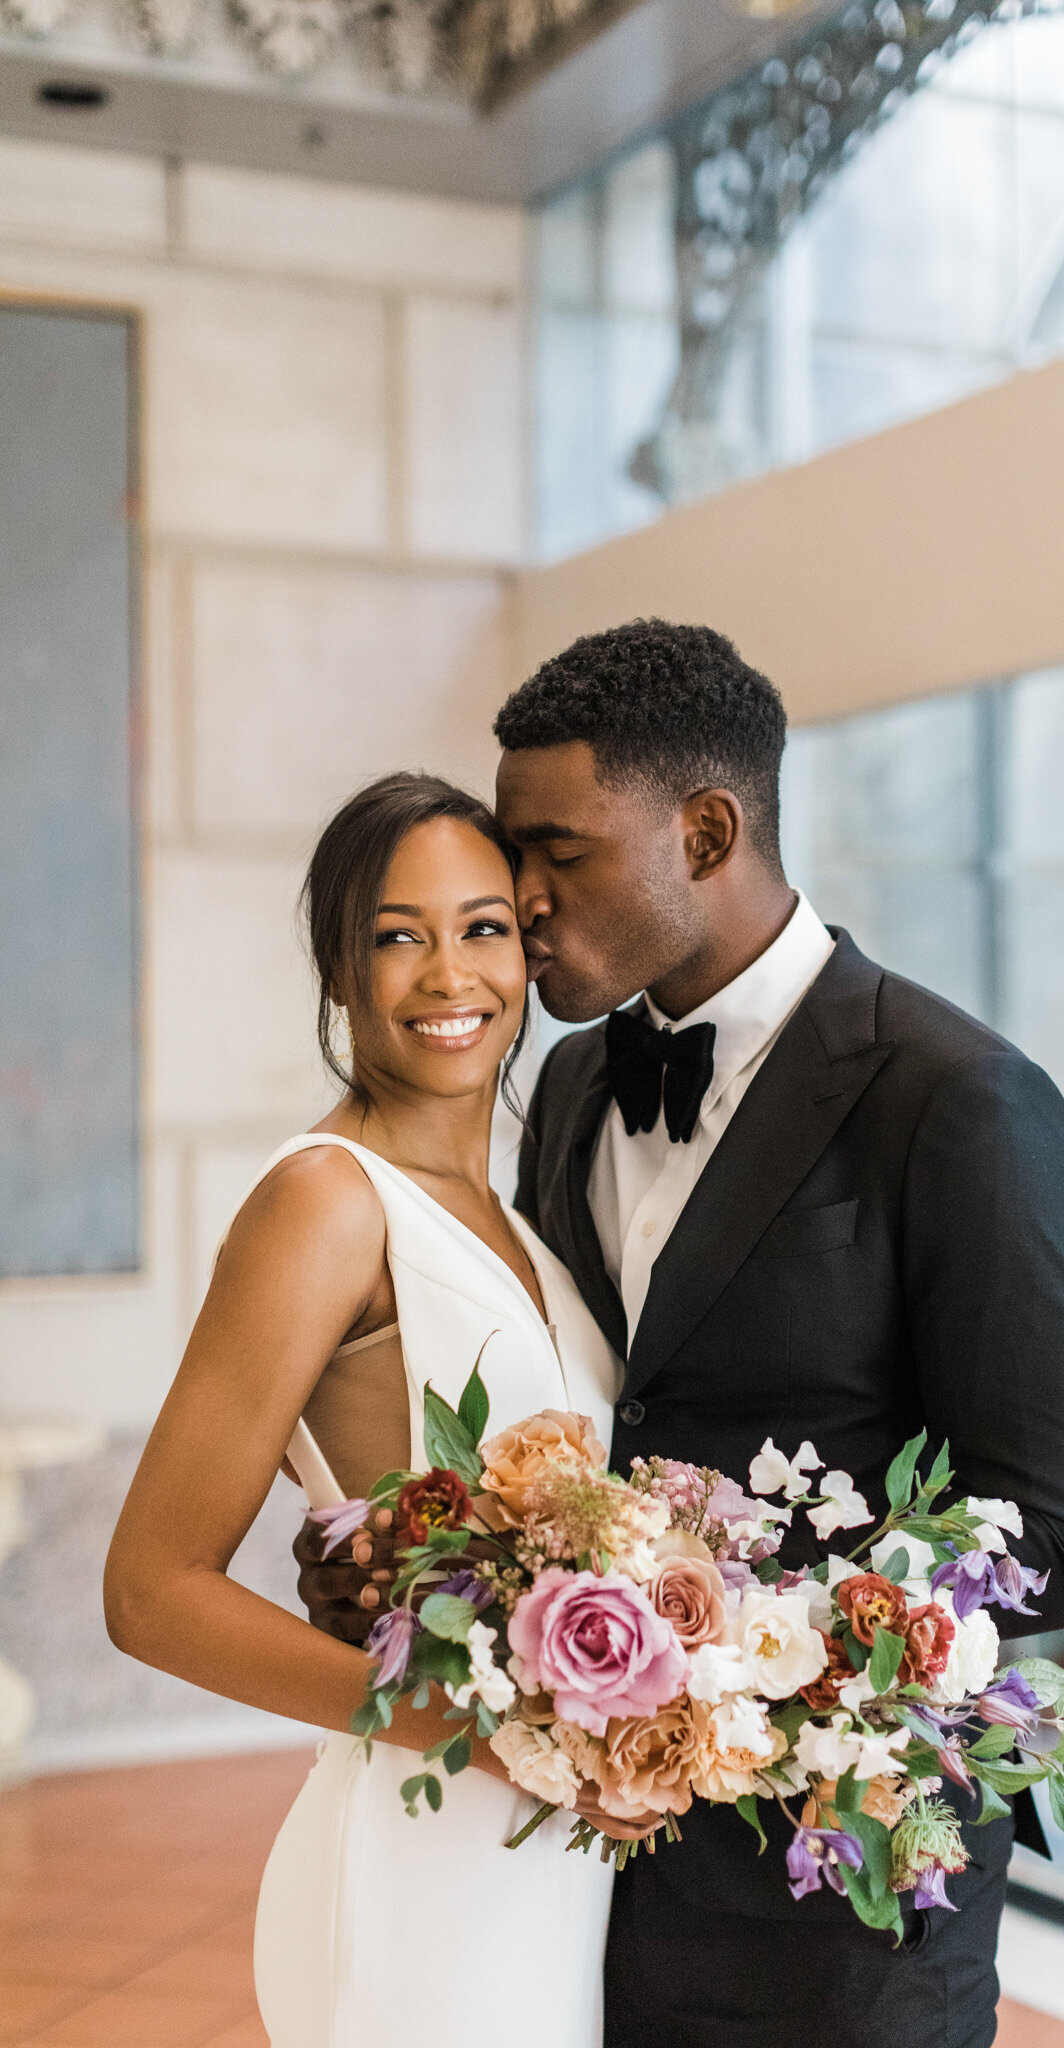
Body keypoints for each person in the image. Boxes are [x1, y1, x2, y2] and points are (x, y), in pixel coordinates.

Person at [299, 619, 1064, 2047]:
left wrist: (717, 1662)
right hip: (574, 1882)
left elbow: (1049, 1537)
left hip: (838, 1917)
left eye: (558, 852)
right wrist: (439, 1579)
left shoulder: (959, 1098)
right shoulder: (558, 1089)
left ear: (707, 829)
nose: (521, 899)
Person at [105, 772, 641, 2048]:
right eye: (398, 935)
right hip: (422, 1845)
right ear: (341, 971)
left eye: (483, 926)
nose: (448, 973)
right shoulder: (327, 1201)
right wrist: (481, 1731)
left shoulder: (523, 1220)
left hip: (548, 1851)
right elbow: (148, 1589)